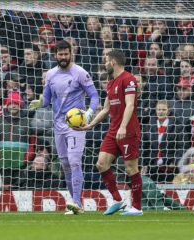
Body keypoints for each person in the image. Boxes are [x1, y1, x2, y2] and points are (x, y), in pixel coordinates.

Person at [29, 40, 99, 214]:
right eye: (60, 54)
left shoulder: (80, 73)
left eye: (66, 54)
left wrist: (88, 114)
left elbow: (95, 96)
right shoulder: (51, 74)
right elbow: (46, 100)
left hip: (76, 125)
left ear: (71, 53)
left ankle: (76, 202)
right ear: (55, 55)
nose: (63, 57)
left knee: (75, 161)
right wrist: (39, 103)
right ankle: (76, 205)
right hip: (58, 125)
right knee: (65, 164)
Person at [76, 50, 143, 216]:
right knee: (101, 163)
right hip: (113, 130)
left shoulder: (129, 79)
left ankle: (137, 208)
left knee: (131, 168)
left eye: (106, 60)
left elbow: (130, 105)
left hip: (128, 130)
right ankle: (117, 199)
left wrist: (123, 127)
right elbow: (106, 109)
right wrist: (90, 124)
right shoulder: (111, 83)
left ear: (113, 62)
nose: (104, 64)